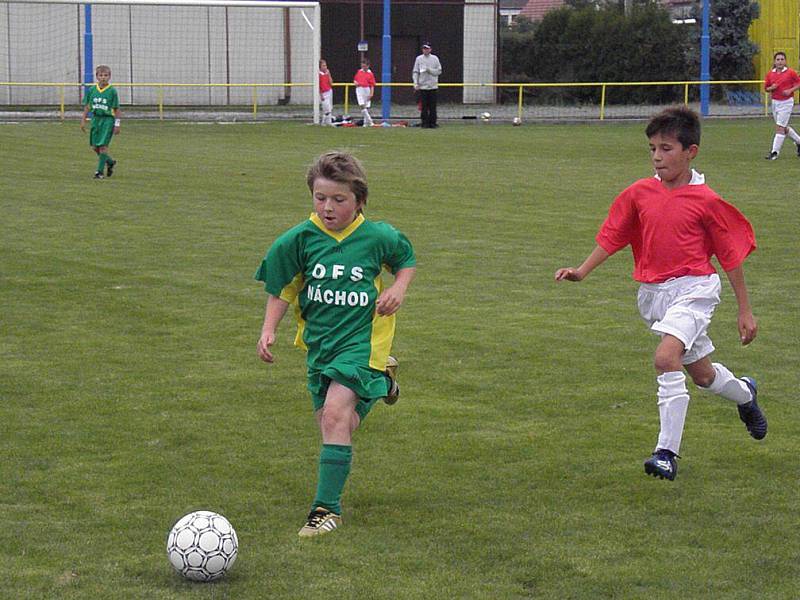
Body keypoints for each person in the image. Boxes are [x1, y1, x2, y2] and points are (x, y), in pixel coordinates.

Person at [555, 106, 766, 482]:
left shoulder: (707, 201)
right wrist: (581, 271)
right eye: (652, 148)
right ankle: (746, 395)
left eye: (666, 148)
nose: (656, 157)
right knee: (702, 376)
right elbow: (615, 235)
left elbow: (730, 257)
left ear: (691, 152)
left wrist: (745, 311)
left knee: (665, 358)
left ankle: (666, 452)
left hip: (695, 289)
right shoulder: (639, 193)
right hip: (654, 296)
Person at [255, 151, 416, 536]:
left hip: (363, 342)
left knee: (333, 417)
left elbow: (406, 259)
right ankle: (381, 384)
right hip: (320, 345)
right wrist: (267, 329)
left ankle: (326, 510)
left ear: (359, 201)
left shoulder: (377, 236)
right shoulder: (298, 240)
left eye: (338, 200)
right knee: (336, 423)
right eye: (320, 197)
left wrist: (398, 288)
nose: (327, 207)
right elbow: (283, 288)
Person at [80, 65, 120, 179]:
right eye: (101, 75)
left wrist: (117, 124)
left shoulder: (112, 91)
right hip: (95, 119)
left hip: (107, 120)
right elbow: (87, 106)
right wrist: (83, 120)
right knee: (95, 147)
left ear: (109, 77)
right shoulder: (92, 89)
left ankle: (99, 172)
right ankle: (110, 162)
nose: (103, 78)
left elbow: (117, 109)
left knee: (103, 146)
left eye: (106, 75)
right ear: (97, 77)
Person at [764, 51, 800, 160]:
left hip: (786, 102)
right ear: (774, 62)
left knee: (780, 127)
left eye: (782, 59)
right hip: (775, 102)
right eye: (778, 59)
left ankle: (774, 152)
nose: (780, 62)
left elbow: (798, 83)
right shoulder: (770, 74)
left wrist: (790, 90)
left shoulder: (790, 73)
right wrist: (772, 88)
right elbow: (766, 88)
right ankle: (799, 142)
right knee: (783, 128)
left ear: (785, 61)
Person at [412, 42, 442, 128]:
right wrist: (415, 83)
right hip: (423, 87)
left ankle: (433, 123)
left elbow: (439, 71)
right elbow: (415, 72)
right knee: (424, 106)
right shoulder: (419, 59)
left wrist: (430, 70)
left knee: (433, 106)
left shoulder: (435, 59)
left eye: (427, 48)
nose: (425, 50)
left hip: (433, 86)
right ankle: (424, 123)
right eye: (424, 48)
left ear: (430, 49)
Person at [353, 59, 376, 127]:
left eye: (365, 66)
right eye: (362, 66)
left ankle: (365, 123)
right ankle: (370, 121)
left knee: (366, 106)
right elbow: (355, 79)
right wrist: (355, 83)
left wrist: (371, 93)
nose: (363, 68)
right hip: (359, 89)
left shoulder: (370, 74)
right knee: (362, 105)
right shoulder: (359, 72)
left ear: (368, 66)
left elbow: (372, 85)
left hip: (366, 89)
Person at [319, 59, 334, 126]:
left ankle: (329, 122)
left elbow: (331, 83)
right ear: (320, 67)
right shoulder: (319, 74)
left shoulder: (327, 73)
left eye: (325, 65)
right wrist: (321, 94)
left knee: (330, 107)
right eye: (323, 66)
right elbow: (319, 85)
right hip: (324, 93)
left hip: (329, 91)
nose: (325, 67)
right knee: (326, 107)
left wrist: (329, 74)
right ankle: (323, 122)